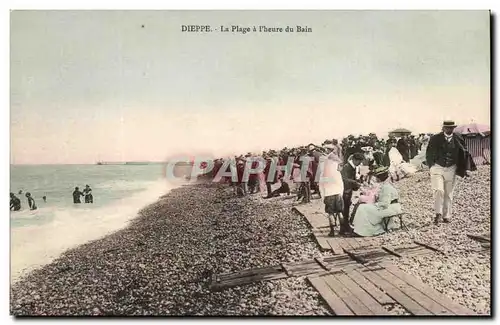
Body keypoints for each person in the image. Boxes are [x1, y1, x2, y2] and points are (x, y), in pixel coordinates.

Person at [426, 120, 476, 224]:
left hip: (451, 168)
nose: (449, 129)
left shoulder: (458, 137)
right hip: (437, 167)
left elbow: (464, 152)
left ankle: (446, 215)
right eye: (447, 127)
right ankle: (438, 213)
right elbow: (429, 153)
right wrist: (431, 166)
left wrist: (464, 168)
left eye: (452, 128)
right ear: (443, 128)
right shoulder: (435, 138)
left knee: (448, 193)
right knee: (439, 190)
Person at [351, 166, 402, 237]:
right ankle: (361, 229)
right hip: (392, 207)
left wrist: (375, 205)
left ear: (379, 178)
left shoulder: (386, 187)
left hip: (391, 208)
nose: (376, 178)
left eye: (377, 177)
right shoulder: (386, 185)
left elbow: (384, 203)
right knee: (363, 208)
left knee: (363, 208)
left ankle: (365, 230)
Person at [319, 151, 344, 236]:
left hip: (328, 195)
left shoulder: (323, 174)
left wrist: (323, 197)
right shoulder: (337, 173)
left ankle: (332, 231)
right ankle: (341, 229)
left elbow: (321, 187)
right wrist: (341, 193)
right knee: (340, 212)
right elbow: (341, 185)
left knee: (330, 213)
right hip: (337, 194)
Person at [340, 153, 364, 235]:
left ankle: (345, 227)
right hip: (345, 190)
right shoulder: (347, 167)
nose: (359, 163)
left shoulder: (352, 167)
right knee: (344, 210)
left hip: (348, 190)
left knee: (346, 209)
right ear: (354, 160)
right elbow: (344, 179)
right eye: (358, 161)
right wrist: (355, 182)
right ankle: (343, 228)